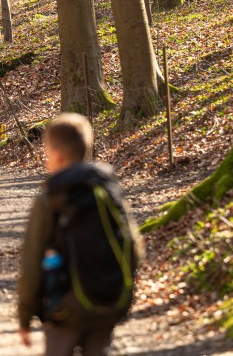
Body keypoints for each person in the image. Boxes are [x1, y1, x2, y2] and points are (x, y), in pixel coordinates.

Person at [16, 113, 141, 355]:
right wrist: (119, 287)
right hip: (108, 299)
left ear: (58, 154)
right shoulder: (107, 189)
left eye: (47, 153)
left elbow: (31, 261)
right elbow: (133, 243)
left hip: (65, 306)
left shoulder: (51, 197)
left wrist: (24, 315)